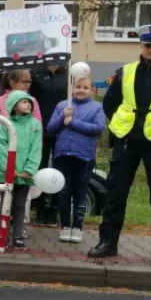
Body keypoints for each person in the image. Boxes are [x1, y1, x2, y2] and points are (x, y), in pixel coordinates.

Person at [89, 25, 151, 261]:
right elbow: (109, 104)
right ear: (141, 46)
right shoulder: (125, 72)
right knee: (116, 193)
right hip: (127, 140)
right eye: (148, 46)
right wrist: (121, 125)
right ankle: (108, 242)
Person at [47, 75, 106, 244]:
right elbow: (50, 128)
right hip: (63, 155)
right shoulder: (62, 106)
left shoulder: (97, 107)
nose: (81, 90)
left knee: (80, 192)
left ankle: (78, 227)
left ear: (92, 90)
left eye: (85, 87)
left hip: (84, 157)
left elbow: (98, 128)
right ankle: (65, 226)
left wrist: (73, 122)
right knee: (64, 191)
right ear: (72, 88)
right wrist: (62, 117)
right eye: (78, 87)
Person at [0, 90, 43, 250]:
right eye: (24, 102)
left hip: (25, 173)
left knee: (20, 205)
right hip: (7, 172)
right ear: (14, 106)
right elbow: (2, 148)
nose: (28, 104)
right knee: (6, 204)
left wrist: (30, 169)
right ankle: (4, 234)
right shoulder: (6, 124)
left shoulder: (35, 125)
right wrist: (8, 168)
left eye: (30, 102)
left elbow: (36, 148)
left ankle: (18, 235)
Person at [30, 63, 69, 227]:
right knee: (41, 168)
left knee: (61, 169)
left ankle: (54, 211)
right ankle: (40, 209)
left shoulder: (67, 72)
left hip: (63, 129)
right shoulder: (35, 72)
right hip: (41, 128)